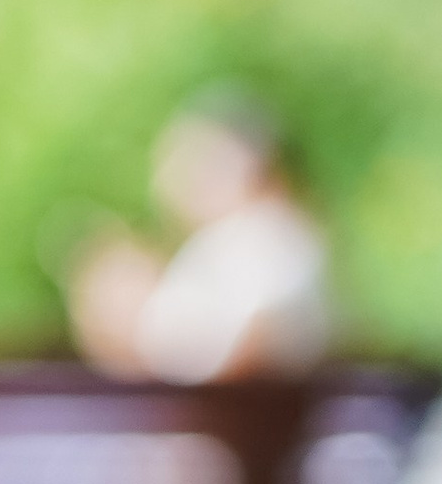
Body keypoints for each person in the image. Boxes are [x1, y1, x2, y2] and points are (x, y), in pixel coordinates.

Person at [66, 93, 333, 385]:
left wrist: (134, 327)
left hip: (231, 418)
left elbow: (254, 346)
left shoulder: (270, 236)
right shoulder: (229, 239)